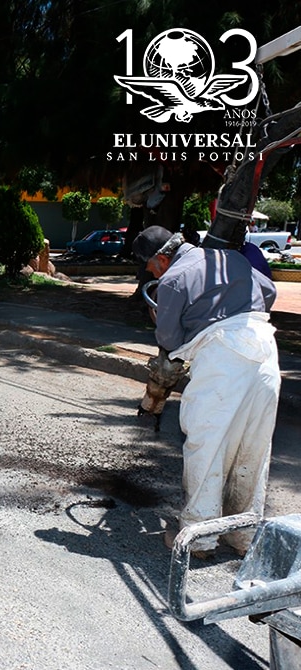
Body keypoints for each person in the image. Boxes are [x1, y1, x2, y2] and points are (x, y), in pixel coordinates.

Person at [132, 225, 280, 558]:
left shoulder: (173, 280)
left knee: (207, 446)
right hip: (265, 352)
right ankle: (243, 535)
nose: (151, 273)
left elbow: (170, 340)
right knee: (253, 447)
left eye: (150, 267)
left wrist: (167, 317)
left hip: (221, 360)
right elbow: (269, 291)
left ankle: (198, 539)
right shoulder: (231, 259)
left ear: (161, 259)